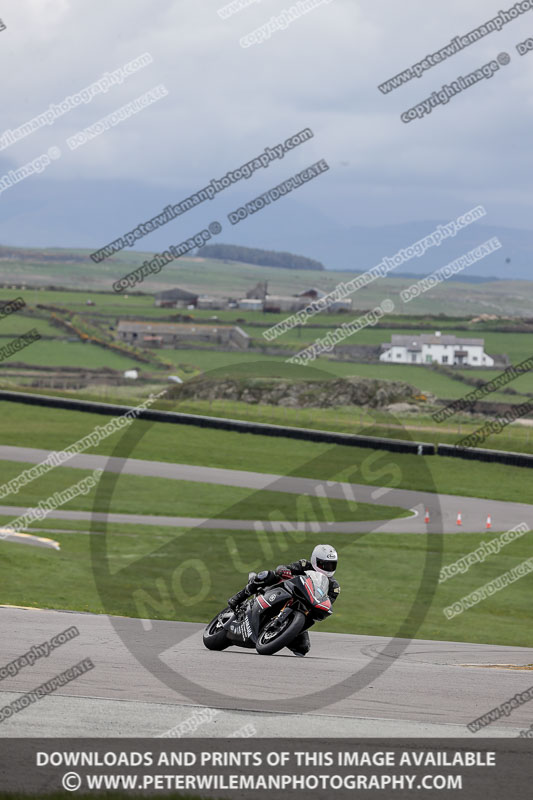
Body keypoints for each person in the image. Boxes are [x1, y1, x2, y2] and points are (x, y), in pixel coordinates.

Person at [227, 544, 340, 656]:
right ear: (315, 561)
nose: (328, 568)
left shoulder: (334, 587)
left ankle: (281, 633)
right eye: (324, 564)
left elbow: (327, 602)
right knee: (266, 575)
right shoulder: (304, 565)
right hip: (284, 592)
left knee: (303, 648)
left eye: (331, 565)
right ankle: (238, 597)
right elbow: (284, 568)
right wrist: (284, 571)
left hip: (303, 611)